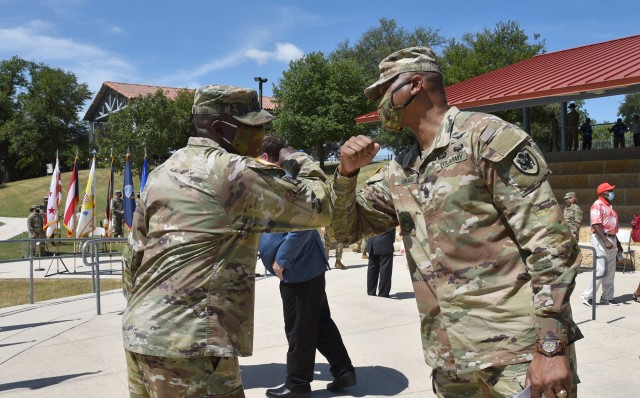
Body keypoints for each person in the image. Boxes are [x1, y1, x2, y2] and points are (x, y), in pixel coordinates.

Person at [330, 47, 582, 398]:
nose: (379, 104)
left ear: (415, 84)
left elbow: (551, 244)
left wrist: (550, 347)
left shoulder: (486, 138)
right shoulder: (401, 170)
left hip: (516, 357)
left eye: (384, 92)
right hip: (451, 361)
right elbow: (344, 230)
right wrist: (346, 175)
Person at [122, 85, 333, 398]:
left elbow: (133, 257)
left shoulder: (161, 173)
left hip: (141, 335)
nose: (261, 136)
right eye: (254, 127)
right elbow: (321, 207)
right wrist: (298, 157)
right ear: (222, 129)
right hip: (193, 347)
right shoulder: (232, 172)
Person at [258, 135, 356, 398]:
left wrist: (282, 259)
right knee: (320, 323)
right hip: (304, 268)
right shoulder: (285, 176)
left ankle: (297, 385)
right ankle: (344, 371)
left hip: (298, 269)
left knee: (299, 329)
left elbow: (305, 223)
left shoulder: (292, 177)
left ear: (266, 158)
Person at [580, 182, 623, 307]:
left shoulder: (609, 206)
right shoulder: (597, 205)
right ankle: (587, 296)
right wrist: (605, 240)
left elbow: (612, 228)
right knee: (601, 269)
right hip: (601, 239)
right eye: (609, 190)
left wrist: (618, 243)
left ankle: (607, 297)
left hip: (612, 239)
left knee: (610, 270)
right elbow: (595, 225)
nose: (611, 192)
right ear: (603, 192)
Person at [366, 228, 396, 297]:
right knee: (385, 269)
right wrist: (391, 240)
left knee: (372, 267)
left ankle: (371, 291)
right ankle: (383, 293)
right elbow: (391, 228)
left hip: (372, 241)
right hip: (384, 240)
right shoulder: (389, 216)